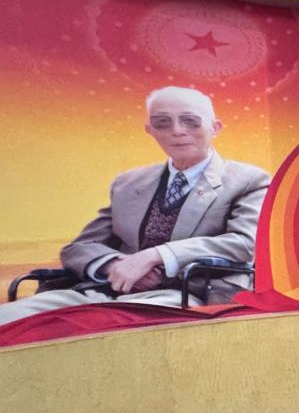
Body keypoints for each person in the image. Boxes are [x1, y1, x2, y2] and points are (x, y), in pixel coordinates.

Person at [0, 87, 268, 326]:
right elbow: (79, 248)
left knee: (96, 325)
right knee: (10, 318)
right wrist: (116, 264)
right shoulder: (128, 184)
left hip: (187, 295)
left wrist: (154, 256)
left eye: (190, 121)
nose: (177, 130)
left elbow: (245, 244)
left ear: (215, 127)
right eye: (162, 123)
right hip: (107, 290)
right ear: (150, 130)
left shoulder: (248, 180)